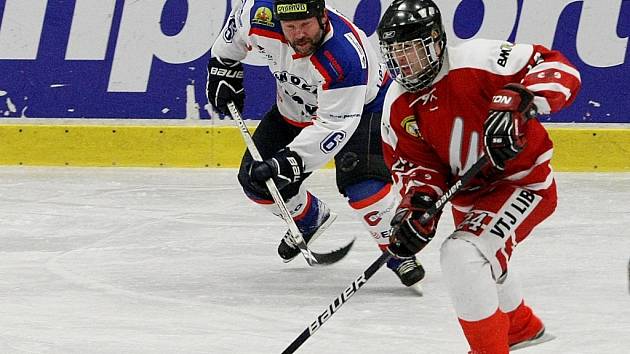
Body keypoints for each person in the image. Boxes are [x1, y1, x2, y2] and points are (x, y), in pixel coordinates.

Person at [376, 0, 581, 352]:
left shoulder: (479, 59)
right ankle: (519, 327)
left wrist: (521, 97)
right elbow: (414, 167)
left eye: (411, 48)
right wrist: (418, 206)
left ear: (437, 42)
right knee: (482, 256)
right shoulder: (398, 104)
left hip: (523, 182)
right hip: (471, 197)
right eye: (395, 51)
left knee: (462, 256)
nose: (404, 61)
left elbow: (557, 66)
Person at [206, 0, 425, 288]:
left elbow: (335, 125)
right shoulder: (257, 16)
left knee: (362, 184)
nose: (298, 35)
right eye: (291, 27)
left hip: (364, 110)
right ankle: (309, 218)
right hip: (294, 110)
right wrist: (223, 67)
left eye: (306, 25)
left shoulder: (344, 54)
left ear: (322, 17)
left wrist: (292, 161)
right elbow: (229, 44)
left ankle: (398, 251)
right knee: (255, 181)